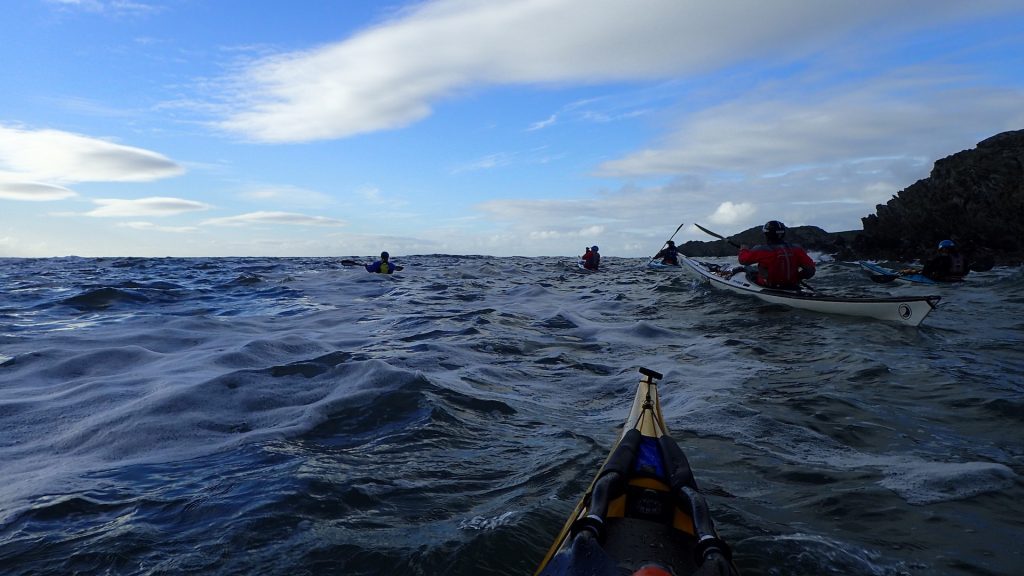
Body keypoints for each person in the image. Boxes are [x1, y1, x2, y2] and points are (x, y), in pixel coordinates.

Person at [737, 220, 815, 290]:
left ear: (766, 234)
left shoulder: (761, 249)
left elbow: (743, 260)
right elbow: (810, 270)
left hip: (769, 286)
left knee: (748, 269)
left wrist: (744, 249)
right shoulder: (797, 249)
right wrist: (798, 278)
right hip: (792, 285)